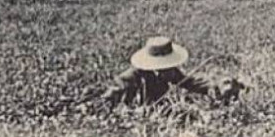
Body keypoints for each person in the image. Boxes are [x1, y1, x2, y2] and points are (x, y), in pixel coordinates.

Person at [101, 36, 244, 107]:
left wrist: (217, 85)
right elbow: (106, 101)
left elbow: (190, 82)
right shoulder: (129, 78)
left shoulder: (169, 72)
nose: (169, 70)